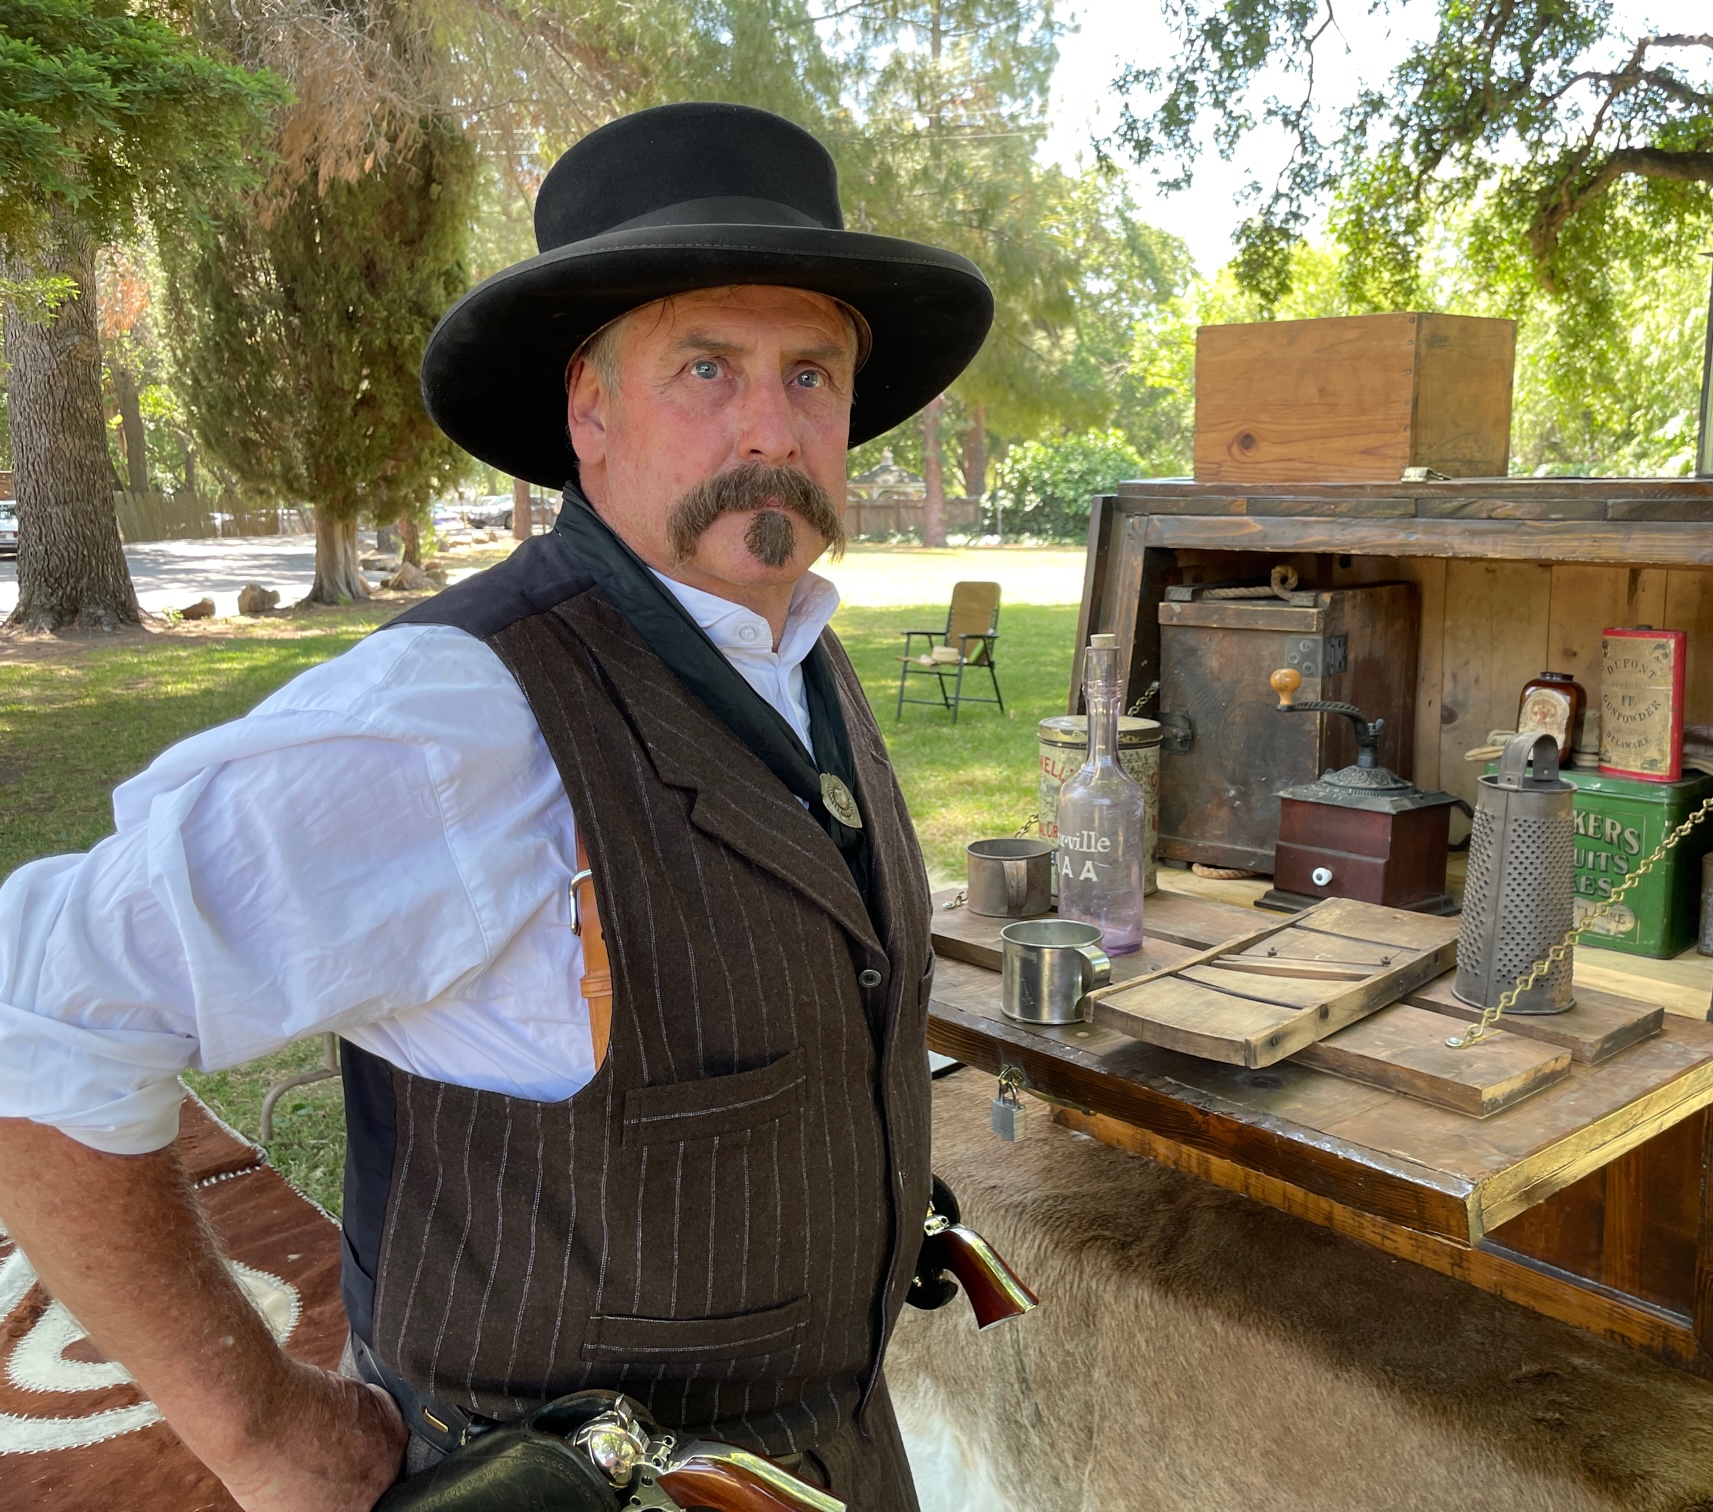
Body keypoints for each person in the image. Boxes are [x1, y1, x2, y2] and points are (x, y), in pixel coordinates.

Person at [0, 102, 992, 1510]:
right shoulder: (461, 715)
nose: (772, 426)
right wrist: (275, 1438)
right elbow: (45, 1011)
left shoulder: (794, 649)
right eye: (706, 367)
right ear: (590, 409)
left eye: (813, 374)